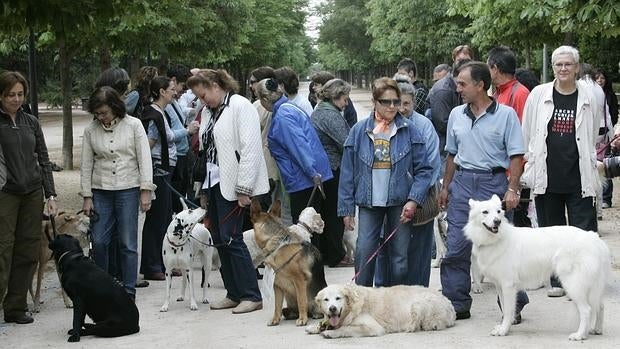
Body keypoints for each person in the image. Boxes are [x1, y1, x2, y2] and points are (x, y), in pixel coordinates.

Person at [438, 61, 525, 321]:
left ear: (481, 85)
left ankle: (513, 305)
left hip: (493, 185)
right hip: (462, 184)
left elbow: (516, 156)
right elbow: (451, 154)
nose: (458, 89)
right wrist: (446, 186)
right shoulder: (456, 114)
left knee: (502, 248)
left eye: (463, 84)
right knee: (455, 247)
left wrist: (512, 188)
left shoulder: (506, 115)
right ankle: (457, 304)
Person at [521, 46, 601, 298]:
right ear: (553, 67)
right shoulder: (538, 94)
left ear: (577, 67)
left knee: (583, 231)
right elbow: (527, 131)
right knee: (550, 232)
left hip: (579, 176)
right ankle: (556, 281)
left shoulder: (590, 96)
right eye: (558, 65)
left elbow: (592, 132)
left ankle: (584, 281)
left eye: (568, 64)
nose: (563, 69)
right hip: (547, 175)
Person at [187, 69, 269, 314]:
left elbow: (251, 150)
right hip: (214, 183)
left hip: (235, 185)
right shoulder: (211, 111)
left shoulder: (240, 106)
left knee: (233, 238)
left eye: (203, 95)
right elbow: (207, 151)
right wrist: (202, 188)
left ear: (215, 85)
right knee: (220, 239)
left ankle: (251, 295)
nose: (203, 101)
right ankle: (233, 293)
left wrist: (244, 188)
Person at [338, 77, 433, 287]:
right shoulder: (359, 131)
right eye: (386, 101)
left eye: (396, 102)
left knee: (399, 260)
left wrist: (413, 200)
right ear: (375, 101)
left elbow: (424, 170)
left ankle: (394, 303)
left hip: (400, 203)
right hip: (369, 204)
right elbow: (347, 172)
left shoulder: (410, 130)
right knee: (364, 254)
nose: (392, 106)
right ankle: (362, 300)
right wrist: (346, 210)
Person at [80, 86, 155, 299]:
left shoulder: (134, 125)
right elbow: (86, 164)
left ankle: (129, 290)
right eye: (96, 113)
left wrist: (145, 190)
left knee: (127, 243)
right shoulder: (91, 130)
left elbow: (144, 159)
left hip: (128, 189)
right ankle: (103, 287)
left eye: (104, 112)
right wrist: (87, 196)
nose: (100, 117)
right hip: (101, 190)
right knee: (100, 241)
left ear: (115, 107)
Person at [0, 71, 58, 324]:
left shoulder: (31, 122)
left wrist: (50, 193)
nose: (16, 99)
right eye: (10, 95)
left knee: (27, 250)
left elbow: (44, 159)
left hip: (32, 192)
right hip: (5, 192)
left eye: (20, 94)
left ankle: (15, 306)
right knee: (3, 249)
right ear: (1, 95)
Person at [255, 78, 333, 225]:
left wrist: (312, 173)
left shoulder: (282, 116)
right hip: (309, 176)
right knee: (312, 227)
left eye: (260, 99)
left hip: (305, 180)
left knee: (304, 230)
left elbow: (299, 147)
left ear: (265, 99)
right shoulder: (289, 107)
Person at [397, 81, 441, 287]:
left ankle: (420, 291)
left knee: (420, 252)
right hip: (395, 201)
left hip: (422, 199)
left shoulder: (424, 125)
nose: (402, 108)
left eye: (407, 103)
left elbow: (432, 165)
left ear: (413, 102)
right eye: (398, 103)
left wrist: (415, 196)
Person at [487, 46, 532, 229]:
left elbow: (523, 139)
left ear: (495, 68)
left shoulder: (520, 94)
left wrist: (513, 181)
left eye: (488, 67)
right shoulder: (497, 93)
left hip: (509, 174)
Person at [139, 76, 177, 281]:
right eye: (171, 89)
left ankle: (163, 262)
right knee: (157, 218)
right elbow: (148, 144)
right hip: (158, 170)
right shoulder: (154, 115)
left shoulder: (161, 112)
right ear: (162, 91)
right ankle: (152, 264)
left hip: (165, 169)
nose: (175, 92)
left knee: (165, 216)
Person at [310, 78, 351, 267]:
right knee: (335, 214)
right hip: (333, 169)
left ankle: (329, 253)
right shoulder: (330, 115)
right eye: (345, 98)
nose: (346, 103)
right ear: (336, 97)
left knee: (327, 213)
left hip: (325, 169)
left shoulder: (322, 110)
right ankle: (336, 255)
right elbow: (347, 143)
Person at [428, 45, 473, 176]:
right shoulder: (443, 90)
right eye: (460, 60)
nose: (464, 63)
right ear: (454, 61)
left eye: (467, 60)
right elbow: (442, 124)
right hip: (445, 151)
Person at [165, 65, 200, 213]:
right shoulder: (165, 106)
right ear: (173, 81)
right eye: (182, 86)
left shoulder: (174, 103)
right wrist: (187, 131)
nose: (184, 91)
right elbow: (168, 134)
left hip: (182, 155)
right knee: (175, 200)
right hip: (176, 158)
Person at [594, 68, 618, 208]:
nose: (600, 81)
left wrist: (611, 134)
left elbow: (613, 116)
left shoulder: (610, 95)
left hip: (606, 135)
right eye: (597, 78)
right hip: (594, 136)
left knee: (606, 165)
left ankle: (606, 198)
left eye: (602, 78)